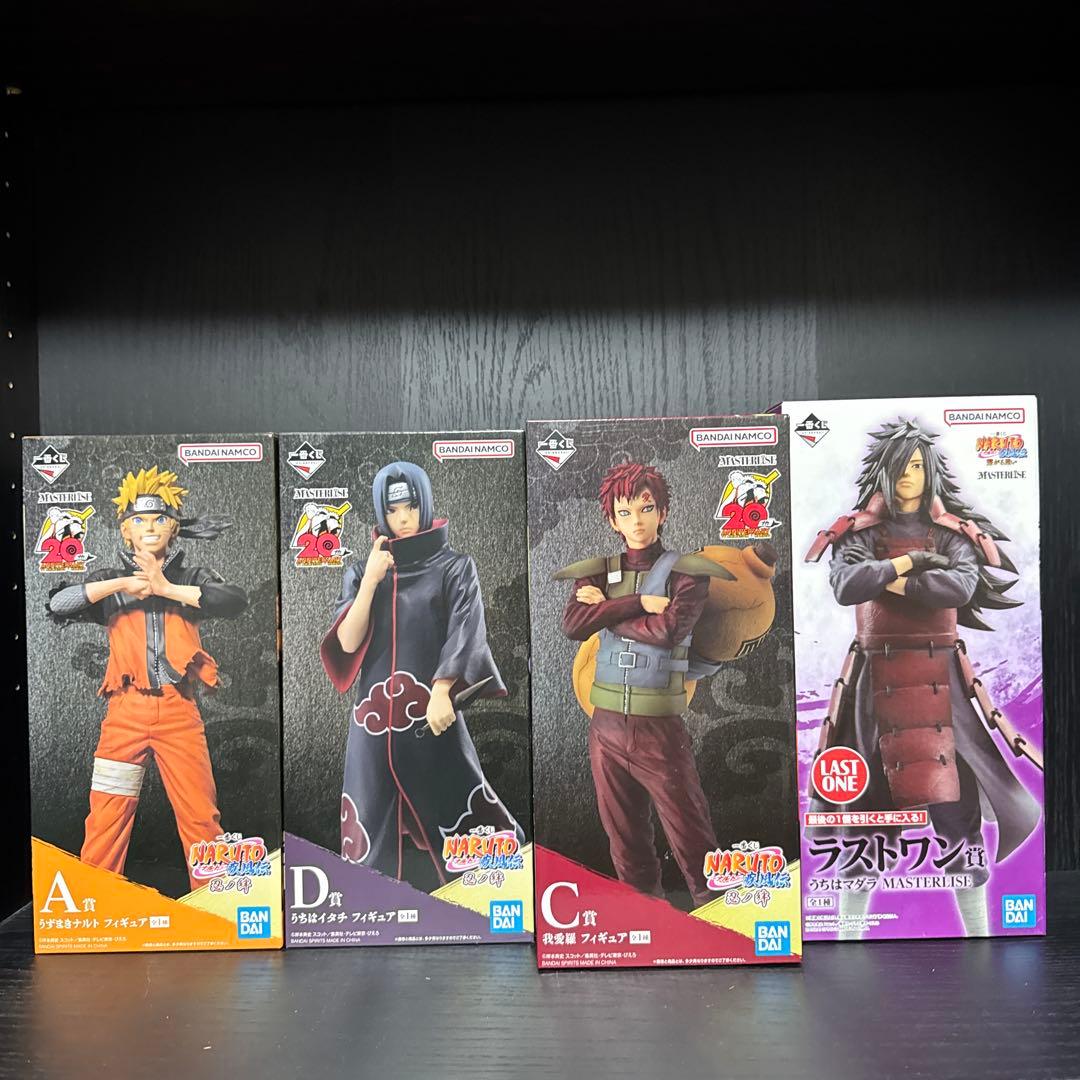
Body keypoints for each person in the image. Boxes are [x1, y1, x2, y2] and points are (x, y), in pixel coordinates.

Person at [806, 418, 1042, 936]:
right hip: (872, 689)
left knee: (958, 820)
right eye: (899, 467)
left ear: (929, 470)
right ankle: (847, 937)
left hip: (943, 687)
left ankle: (980, 936)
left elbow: (959, 586)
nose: (907, 476)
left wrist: (890, 580)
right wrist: (910, 562)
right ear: (883, 473)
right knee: (864, 823)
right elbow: (847, 585)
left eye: (915, 466)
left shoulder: (954, 534)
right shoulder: (858, 533)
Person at [320, 461, 523, 885]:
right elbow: (348, 642)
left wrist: (442, 689)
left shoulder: (454, 567)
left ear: (425, 504)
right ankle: (375, 905)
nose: (403, 518)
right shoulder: (361, 572)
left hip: (430, 716)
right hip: (372, 726)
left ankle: (485, 894)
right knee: (368, 828)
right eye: (392, 510)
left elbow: (465, 630)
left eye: (411, 506)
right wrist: (370, 582)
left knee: (462, 813)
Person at [48, 467, 247, 891]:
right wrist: (123, 584)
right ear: (125, 530)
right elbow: (59, 604)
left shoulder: (190, 577)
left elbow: (234, 601)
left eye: (159, 519)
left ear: (174, 527)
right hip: (125, 713)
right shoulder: (108, 581)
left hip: (179, 712)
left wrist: (165, 588)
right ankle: (97, 902)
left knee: (200, 815)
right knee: (108, 813)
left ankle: (217, 904)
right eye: (139, 519)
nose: (150, 527)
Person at [556, 462, 729, 908]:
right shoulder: (599, 571)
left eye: (646, 508)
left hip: (659, 726)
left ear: (663, 512)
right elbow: (573, 624)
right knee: (625, 844)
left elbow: (668, 631)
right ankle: (646, 922)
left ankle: (725, 925)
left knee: (694, 840)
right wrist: (637, 603)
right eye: (625, 512)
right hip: (606, 727)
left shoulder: (688, 572)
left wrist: (609, 612)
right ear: (613, 520)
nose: (636, 521)